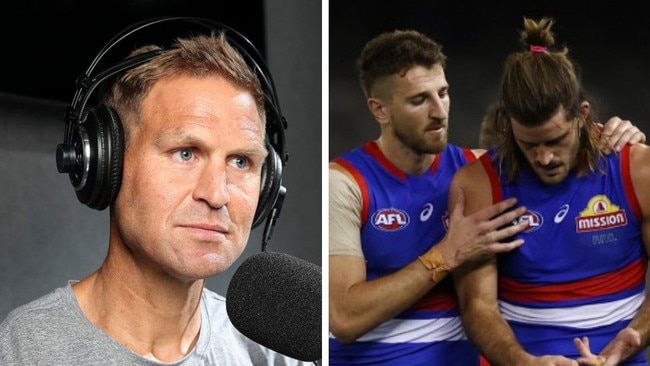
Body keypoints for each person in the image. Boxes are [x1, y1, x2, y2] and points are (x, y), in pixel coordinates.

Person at [328, 29, 647, 365]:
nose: (439, 111)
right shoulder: (344, 184)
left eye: (443, 93)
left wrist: (621, 136)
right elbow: (346, 319)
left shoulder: (474, 174)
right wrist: (446, 254)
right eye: (419, 100)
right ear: (379, 110)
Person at [0, 18, 307, 365]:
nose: (217, 195)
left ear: (268, 185)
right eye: (186, 153)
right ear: (105, 164)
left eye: (240, 161)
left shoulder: (272, 352)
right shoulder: (24, 350)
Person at [450, 16, 650, 366]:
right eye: (529, 144)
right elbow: (476, 306)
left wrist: (632, 340)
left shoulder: (637, 169)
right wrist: (524, 362)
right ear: (508, 124)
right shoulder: (478, 184)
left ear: (582, 115)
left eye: (556, 141)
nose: (544, 157)